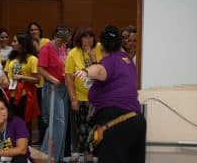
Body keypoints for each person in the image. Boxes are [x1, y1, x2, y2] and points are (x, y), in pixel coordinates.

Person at [74, 26, 146, 163]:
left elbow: (100, 70)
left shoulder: (109, 61)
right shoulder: (127, 60)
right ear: (120, 44)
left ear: (102, 47)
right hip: (136, 121)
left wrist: (85, 71)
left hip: (117, 124)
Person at [65, 27, 102, 162]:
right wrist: (73, 99)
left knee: (97, 126)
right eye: (85, 37)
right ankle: (87, 152)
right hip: (81, 97)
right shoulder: (73, 54)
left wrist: (92, 56)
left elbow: (102, 71)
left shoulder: (99, 49)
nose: (88, 40)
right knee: (83, 128)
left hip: (99, 97)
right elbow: (68, 78)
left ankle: (95, 150)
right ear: (79, 39)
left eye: (90, 36)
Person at [38, 24, 70, 163]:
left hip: (64, 87)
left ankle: (57, 157)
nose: (62, 44)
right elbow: (40, 69)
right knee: (57, 122)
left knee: (61, 124)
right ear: (56, 37)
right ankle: (46, 157)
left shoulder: (63, 48)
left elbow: (65, 64)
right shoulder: (46, 48)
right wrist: (53, 79)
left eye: (65, 42)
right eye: (61, 41)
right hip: (52, 88)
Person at [4, 31, 40, 134]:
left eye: (15, 41)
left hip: (25, 95)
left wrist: (22, 77)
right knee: (10, 121)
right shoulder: (11, 58)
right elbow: (6, 74)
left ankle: (25, 146)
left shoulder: (32, 59)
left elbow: (37, 79)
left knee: (24, 122)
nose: (12, 43)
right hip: (10, 94)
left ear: (22, 43)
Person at [0, 96, 32, 163]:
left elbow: (22, 150)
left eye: (2, 109)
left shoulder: (18, 122)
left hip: (15, 158)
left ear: (7, 110)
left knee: (20, 159)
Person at [26, 22, 50, 144]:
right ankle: (35, 138)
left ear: (40, 31)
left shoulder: (46, 41)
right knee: (34, 113)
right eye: (31, 30)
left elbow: (46, 57)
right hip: (32, 83)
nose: (33, 31)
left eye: (35, 29)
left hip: (45, 82)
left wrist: (36, 47)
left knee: (43, 112)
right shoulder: (27, 43)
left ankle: (43, 139)